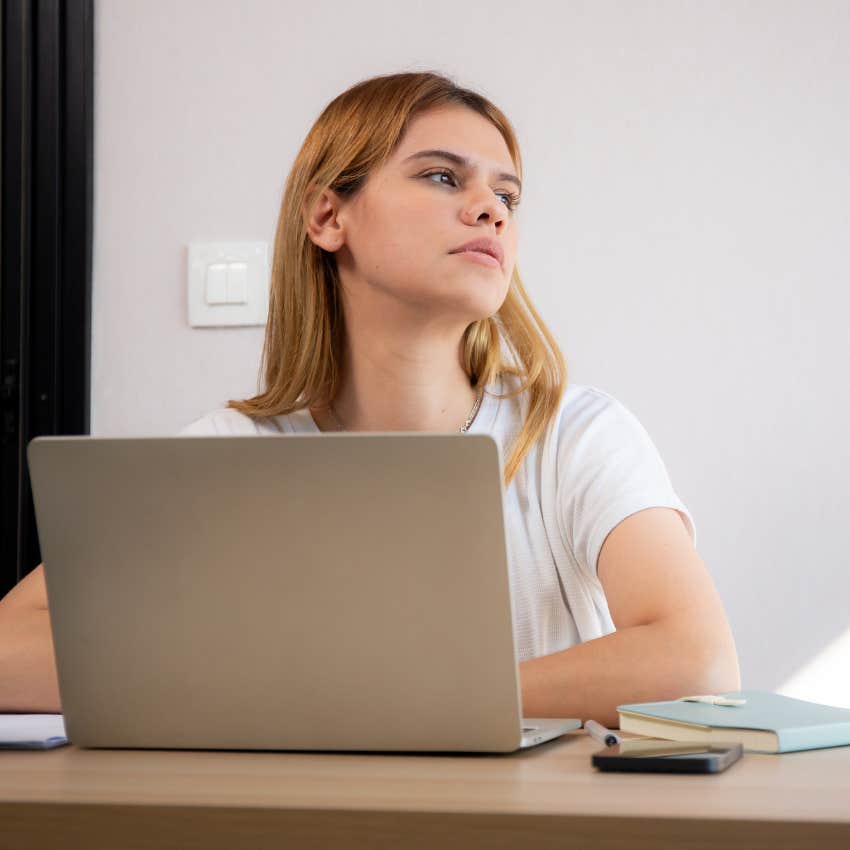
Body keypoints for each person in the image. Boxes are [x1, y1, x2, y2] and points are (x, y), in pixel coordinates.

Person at [0, 71, 740, 726]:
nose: (492, 210)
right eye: (444, 178)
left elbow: (697, 662)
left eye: (507, 193)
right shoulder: (229, 452)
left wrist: (407, 700)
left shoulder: (574, 435)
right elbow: (11, 649)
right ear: (328, 218)